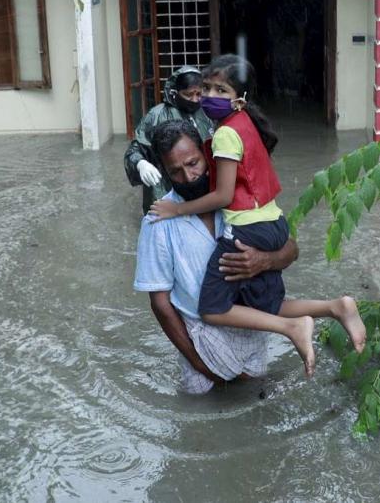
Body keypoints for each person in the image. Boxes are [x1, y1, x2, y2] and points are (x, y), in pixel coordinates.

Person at [148, 55, 366, 377]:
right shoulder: (245, 124)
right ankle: (334, 307)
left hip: (247, 229)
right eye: (206, 88)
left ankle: (293, 328)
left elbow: (223, 197)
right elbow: (160, 303)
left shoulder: (223, 137)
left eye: (221, 90)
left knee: (210, 308)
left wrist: (177, 209)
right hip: (272, 222)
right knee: (266, 306)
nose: (210, 96)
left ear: (240, 98)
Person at [134, 120, 300, 393]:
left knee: (256, 406)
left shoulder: (238, 198)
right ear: (164, 172)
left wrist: (265, 260)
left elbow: (292, 249)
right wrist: (199, 363)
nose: (188, 176)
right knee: (201, 423)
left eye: (193, 163)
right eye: (175, 171)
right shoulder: (158, 222)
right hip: (199, 341)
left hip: (252, 330)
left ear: (208, 154)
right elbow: (161, 304)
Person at [123, 66, 214, 214]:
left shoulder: (206, 112)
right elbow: (135, 150)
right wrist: (141, 164)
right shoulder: (156, 116)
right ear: (174, 93)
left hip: (202, 186)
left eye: (199, 94)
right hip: (166, 190)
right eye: (188, 94)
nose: (195, 99)